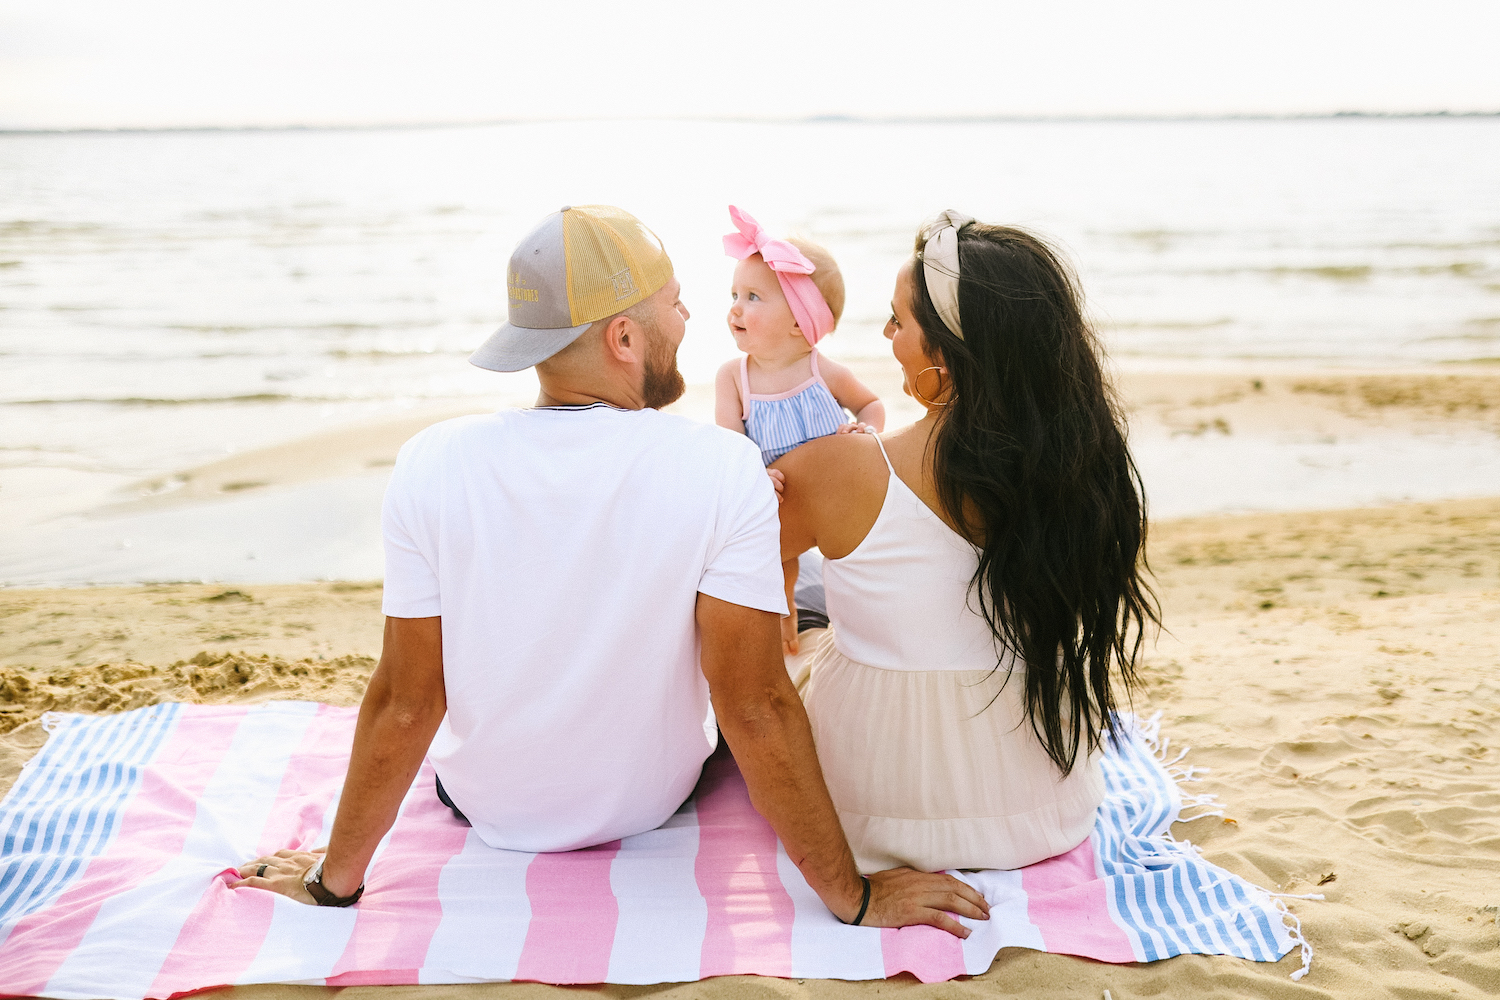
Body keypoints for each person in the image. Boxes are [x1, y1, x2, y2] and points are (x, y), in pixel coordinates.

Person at [233, 205, 988, 936]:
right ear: (624, 337)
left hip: (484, 804)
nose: (693, 318)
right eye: (676, 303)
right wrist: (850, 896)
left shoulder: (432, 464)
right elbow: (753, 703)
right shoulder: (721, 470)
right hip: (648, 802)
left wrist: (332, 879)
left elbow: (405, 698)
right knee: (812, 597)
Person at [775, 212, 1160, 874]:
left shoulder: (837, 469)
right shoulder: (1076, 470)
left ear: (947, 357)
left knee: (806, 606)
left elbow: (731, 559)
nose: (888, 335)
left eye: (899, 321)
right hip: (1038, 809)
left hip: (870, 809)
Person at [714, 206, 885, 655]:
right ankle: (787, 610)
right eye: (734, 293)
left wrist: (868, 431)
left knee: (854, 558)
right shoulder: (734, 377)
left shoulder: (819, 370)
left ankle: (862, 618)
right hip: (781, 498)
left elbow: (870, 403)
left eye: (753, 297)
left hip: (838, 491)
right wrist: (751, 473)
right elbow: (729, 443)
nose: (735, 307)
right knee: (780, 564)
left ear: (799, 322)